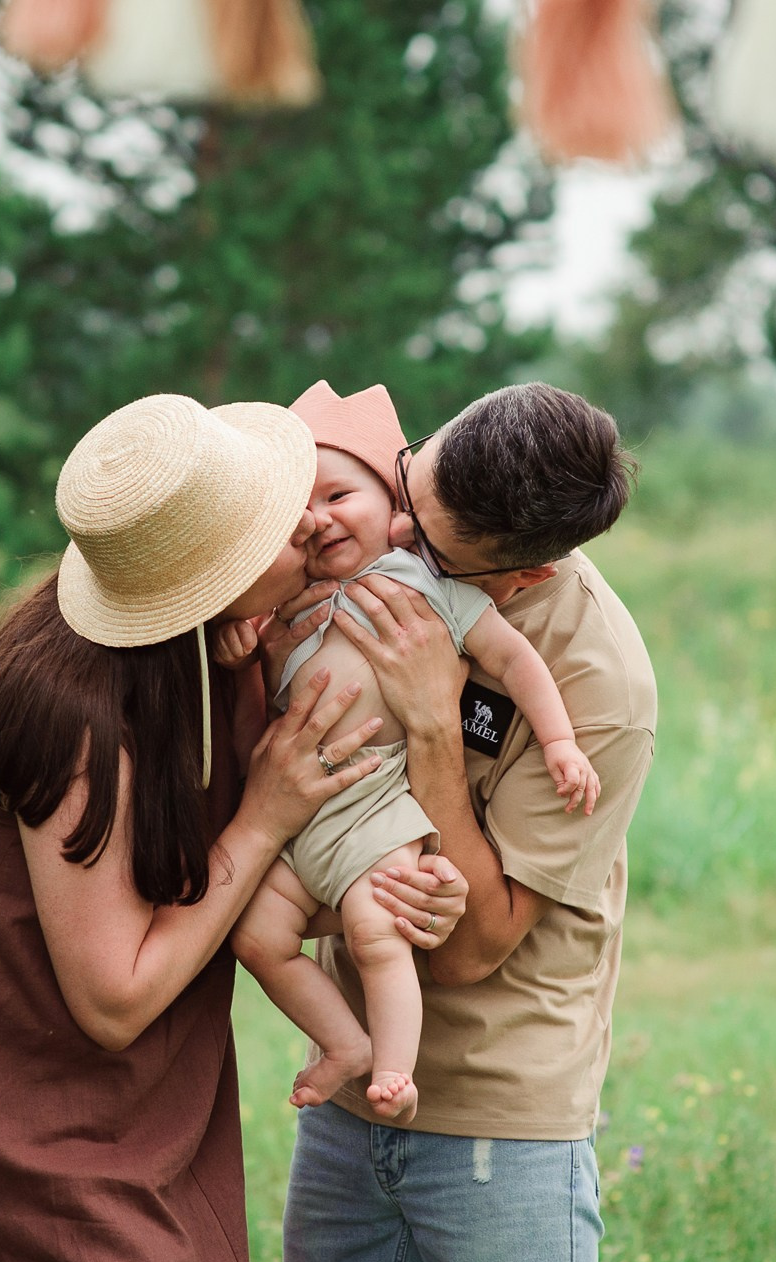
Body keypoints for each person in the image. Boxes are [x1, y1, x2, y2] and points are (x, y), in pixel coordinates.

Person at [0, 393, 471, 1262]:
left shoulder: (211, 653)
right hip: (33, 1112)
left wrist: (376, 884)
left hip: (157, 1101)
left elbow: (212, 883)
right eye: (281, 519)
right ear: (218, 577)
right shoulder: (67, 709)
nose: (312, 522)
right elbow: (115, 996)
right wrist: (267, 816)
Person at [279, 382, 658, 1262]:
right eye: (405, 482)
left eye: (429, 543)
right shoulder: (380, 531)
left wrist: (432, 721)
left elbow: (467, 947)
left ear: (521, 577)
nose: (392, 530)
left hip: (498, 1127)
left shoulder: (596, 682)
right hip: (352, 1105)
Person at [227, 383, 600, 1128]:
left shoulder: (429, 588)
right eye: (302, 502)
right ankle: (341, 1042)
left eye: (340, 494)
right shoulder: (296, 583)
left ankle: (394, 1069)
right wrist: (240, 642)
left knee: (378, 932)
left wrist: (559, 741)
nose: (397, 531)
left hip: (374, 818)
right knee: (256, 937)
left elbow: (518, 660)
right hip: (299, 822)